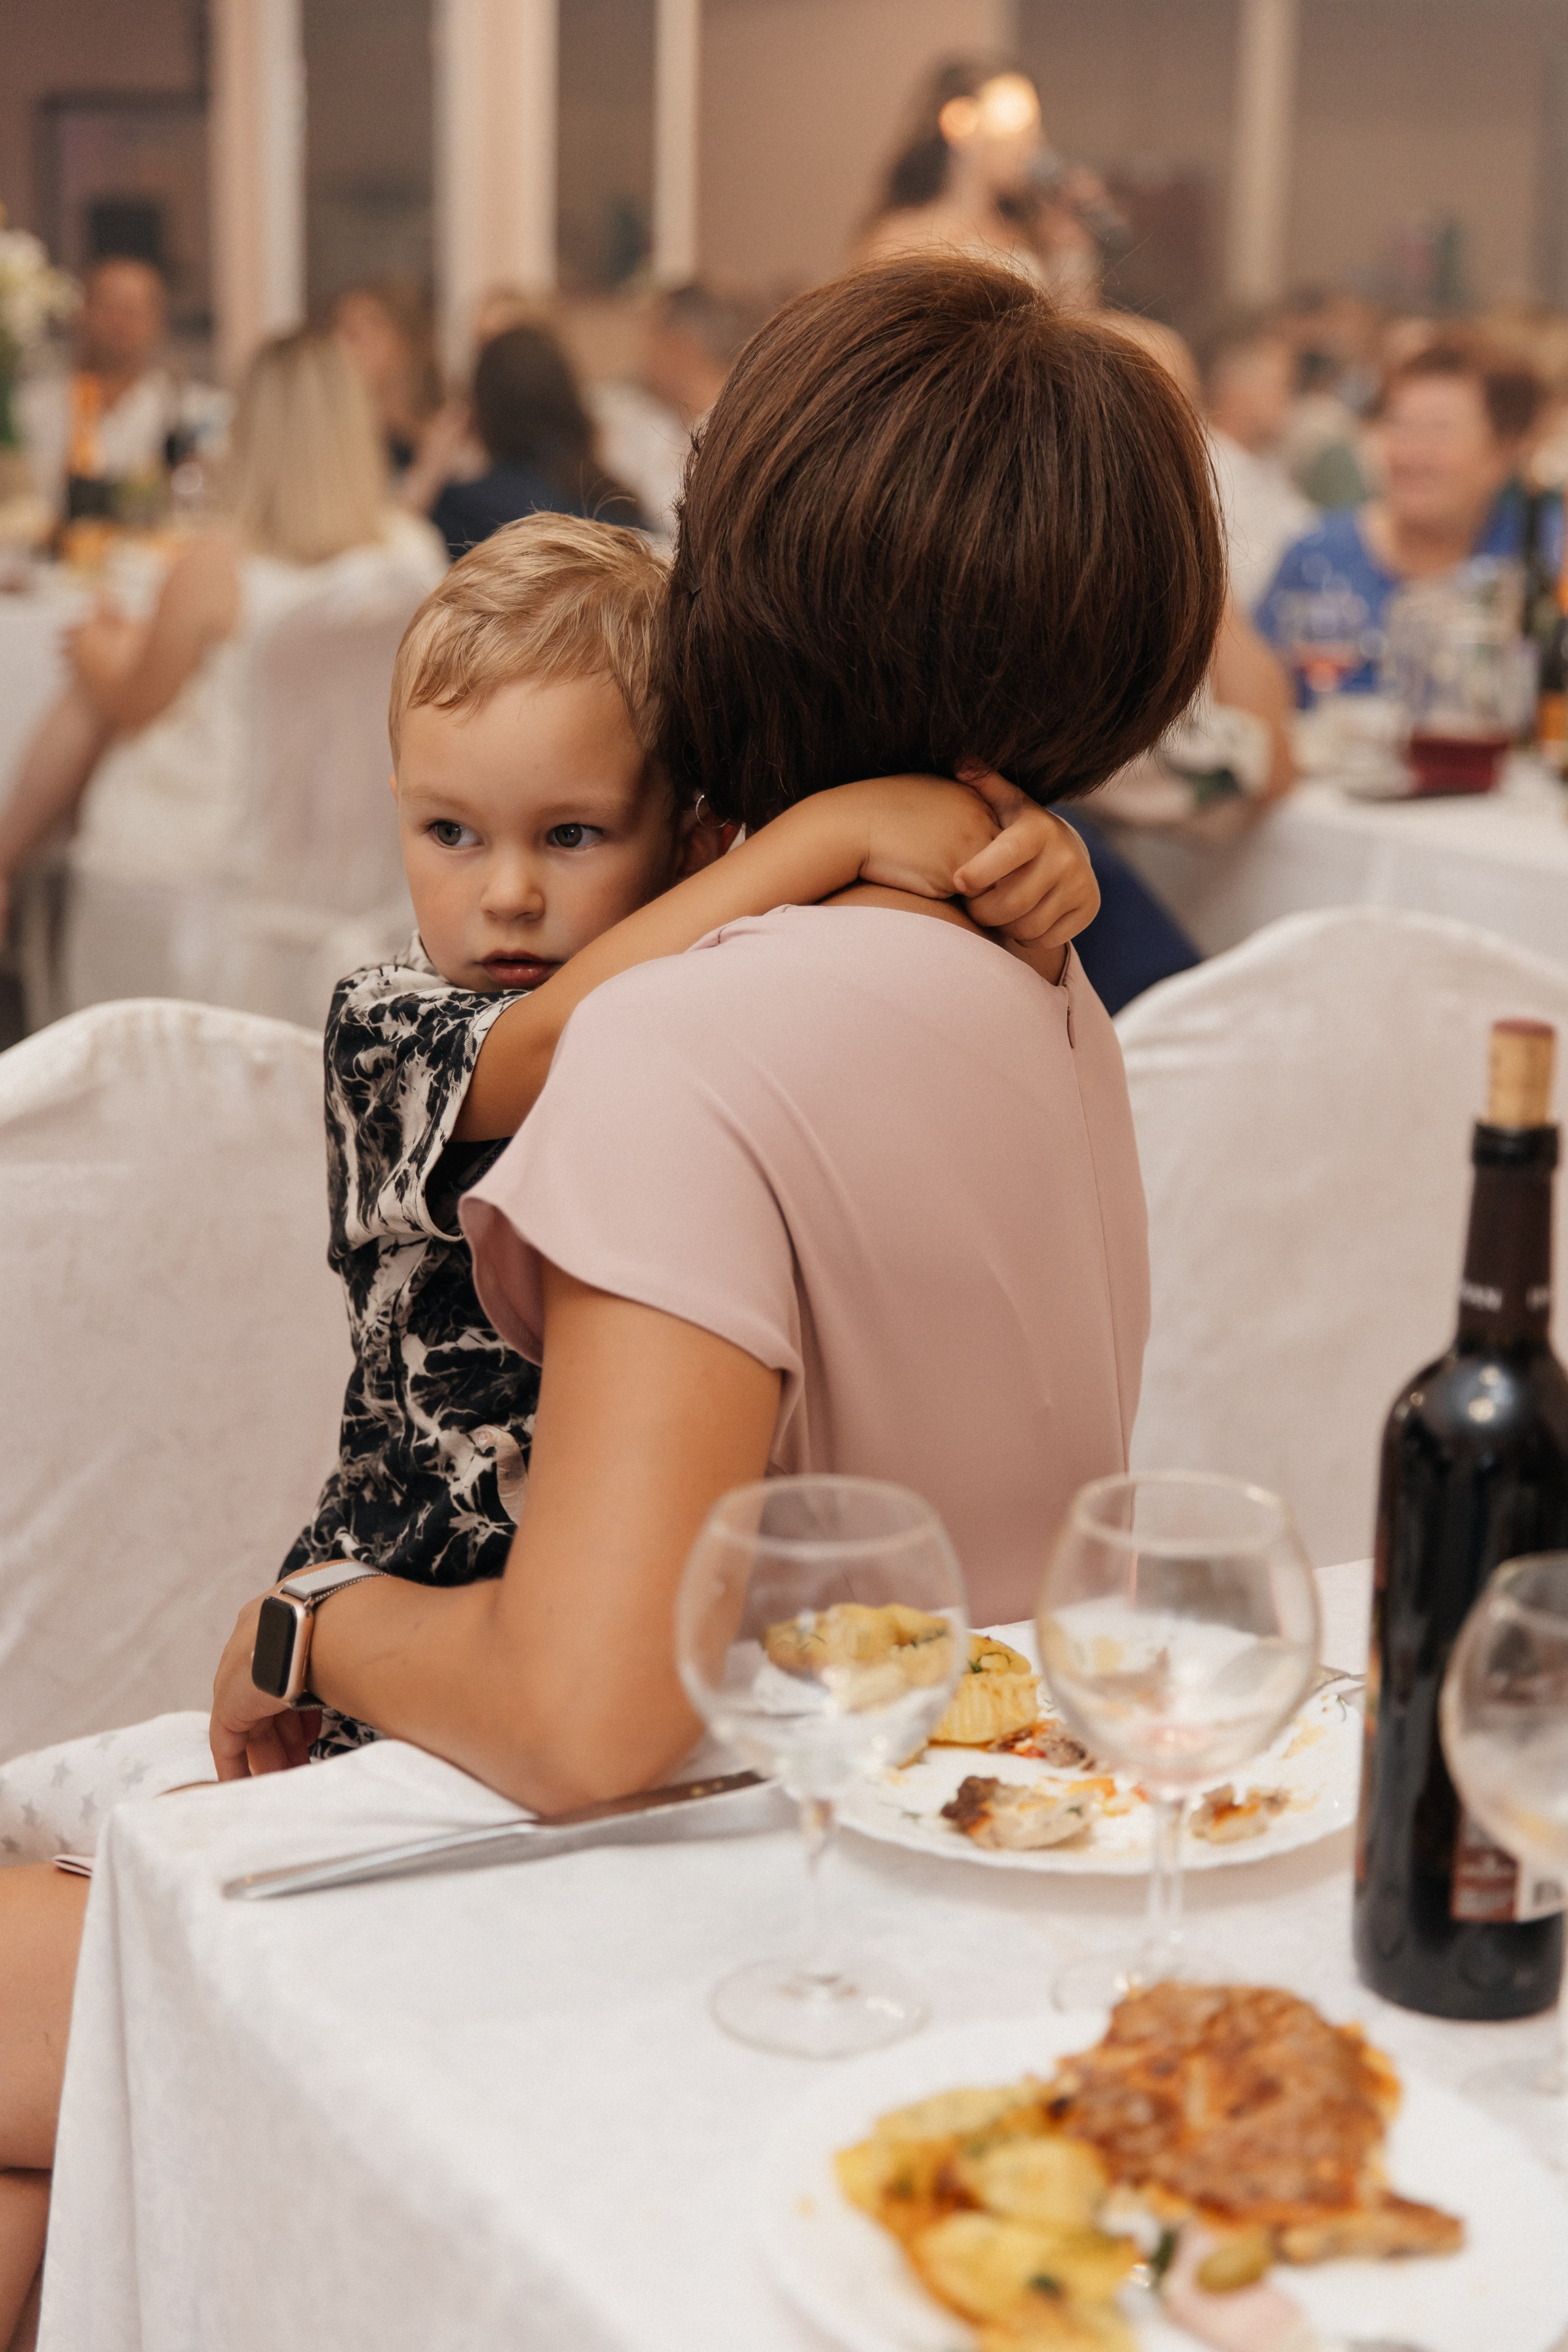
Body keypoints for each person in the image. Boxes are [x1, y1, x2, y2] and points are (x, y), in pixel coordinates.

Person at [0, 429, 1109, 2329]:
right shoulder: (396, 1027)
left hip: (498, 1723)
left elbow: (652, 1003)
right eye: (450, 834)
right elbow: (555, 1043)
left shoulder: (717, 1003)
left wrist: (969, 851)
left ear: (685, 830)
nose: (504, 894)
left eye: (570, 836)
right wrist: (838, 836)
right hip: (392, 1668)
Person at [0, 329, 445, 986]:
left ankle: (5, 869)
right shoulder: (412, 552)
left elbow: (135, 699)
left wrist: (96, 651)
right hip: (365, 845)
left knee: (90, 696)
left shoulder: (220, 565)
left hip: (228, 850)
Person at [1257, 339, 1550, 690]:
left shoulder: (1541, 556)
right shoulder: (1317, 556)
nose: (1411, 453)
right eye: (1399, 425)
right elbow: (1254, 698)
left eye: (1440, 431)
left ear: (1504, 451)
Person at [859, 58, 1115, 307]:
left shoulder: (1033, 231)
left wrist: (1072, 248)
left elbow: (1073, 321)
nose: (1033, 142)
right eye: (1016, 121)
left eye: (1035, 127)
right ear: (960, 122)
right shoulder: (900, 238)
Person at [17, 255, 229, 519]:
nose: (120, 320)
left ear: (158, 321)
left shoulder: (199, 410)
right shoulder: (29, 407)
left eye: (134, 309)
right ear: (80, 313)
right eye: (109, 306)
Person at [431, 323, 644, 561]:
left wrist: (428, 471)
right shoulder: (616, 501)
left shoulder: (461, 509)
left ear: (482, 411)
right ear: (571, 400)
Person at [590, 281, 769, 540]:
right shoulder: (654, 424)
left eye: (651, 340)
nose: (642, 357)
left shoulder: (744, 433)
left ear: (680, 348)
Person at [1196, 308, 1319, 611]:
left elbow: (1310, 531)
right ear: (1238, 391)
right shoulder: (1206, 471)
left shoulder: (1264, 462)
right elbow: (1241, 589)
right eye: (1283, 385)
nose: (1291, 400)